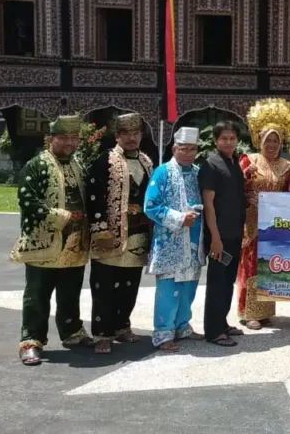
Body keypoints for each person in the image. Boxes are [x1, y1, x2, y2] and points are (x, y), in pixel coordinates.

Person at [11, 115, 93, 365]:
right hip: (45, 242)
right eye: (64, 138)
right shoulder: (36, 165)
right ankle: (31, 341)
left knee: (70, 293)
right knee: (37, 294)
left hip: (75, 243)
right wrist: (63, 217)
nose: (70, 143)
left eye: (74, 138)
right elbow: (28, 202)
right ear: (51, 138)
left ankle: (72, 333)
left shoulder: (79, 165)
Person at [87, 113, 154, 354]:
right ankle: (102, 333)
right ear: (117, 136)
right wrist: (101, 229)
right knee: (104, 285)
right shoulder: (105, 161)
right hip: (110, 234)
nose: (131, 138)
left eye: (135, 134)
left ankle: (122, 326)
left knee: (130, 284)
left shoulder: (147, 161)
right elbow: (93, 197)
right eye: (126, 134)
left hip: (137, 234)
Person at [238, 98, 290, 329]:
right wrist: (245, 176)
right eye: (267, 140)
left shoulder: (287, 166)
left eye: (276, 140)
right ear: (259, 140)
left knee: (269, 265)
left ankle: (265, 310)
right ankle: (249, 312)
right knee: (250, 265)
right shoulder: (249, 160)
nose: (271, 144)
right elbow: (236, 189)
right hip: (251, 222)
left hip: (274, 223)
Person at [144, 126, 204, 350]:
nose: (188, 153)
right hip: (170, 242)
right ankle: (163, 332)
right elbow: (150, 206)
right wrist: (179, 218)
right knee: (169, 289)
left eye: (192, 149)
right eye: (184, 149)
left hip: (194, 242)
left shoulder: (198, 172)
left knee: (189, 286)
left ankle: (182, 325)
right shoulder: (162, 172)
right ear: (174, 148)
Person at [199, 120, 247, 347]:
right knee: (217, 282)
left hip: (235, 232)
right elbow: (208, 204)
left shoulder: (233, 161)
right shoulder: (211, 164)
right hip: (220, 235)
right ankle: (214, 330)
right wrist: (214, 238)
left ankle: (223, 322)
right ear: (216, 140)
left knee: (228, 281)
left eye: (232, 138)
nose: (228, 142)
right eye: (224, 138)